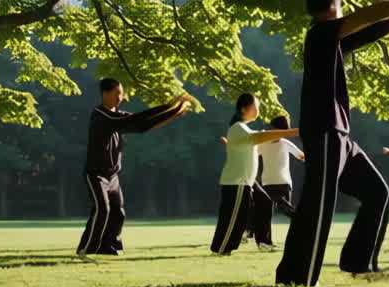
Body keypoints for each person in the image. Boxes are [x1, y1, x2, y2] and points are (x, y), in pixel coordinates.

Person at [275, 0, 389, 287]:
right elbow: (368, 16)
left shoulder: (329, 41)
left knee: (377, 193)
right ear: (332, 6)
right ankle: (295, 277)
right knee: (318, 202)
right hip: (325, 132)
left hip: (340, 136)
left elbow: (364, 33)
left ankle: (357, 262)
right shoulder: (320, 32)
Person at [78, 78, 190, 255]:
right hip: (96, 175)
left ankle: (108, 245)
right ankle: (87, 249)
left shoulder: (116, 116)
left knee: (118, 213)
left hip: (112, 176)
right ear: (105, 94)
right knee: (102, 209)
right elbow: (139, 118)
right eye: (118, 93)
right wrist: (170, 106)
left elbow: (143, 126)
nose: (121, 97)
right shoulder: (101, 116)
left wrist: (173, 113)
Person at [214, 94, 300, 255]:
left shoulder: (243, 128)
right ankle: (221, 249)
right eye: (256, 107)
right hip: (237, 181)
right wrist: (293, 132)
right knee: (234, 218)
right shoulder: (238, 128)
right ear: (243, 109)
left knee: (265, 202)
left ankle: (264, 242)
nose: (258, 110)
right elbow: (260, 137)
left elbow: (257, 138)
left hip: (249, 180)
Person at [249, 114, 305, 250]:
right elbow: (251, 152)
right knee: (265, 212)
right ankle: (264, 242)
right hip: (268, 183)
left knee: (284, 208)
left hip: (285, 183)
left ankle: (300, 232)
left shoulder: (285, 143)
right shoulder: (263, 144)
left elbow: (301, 156)